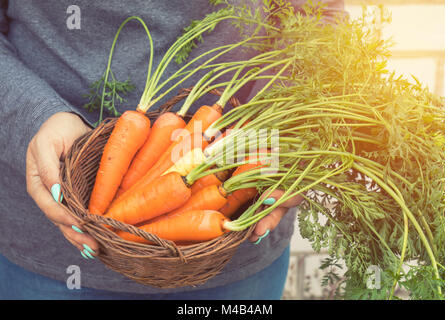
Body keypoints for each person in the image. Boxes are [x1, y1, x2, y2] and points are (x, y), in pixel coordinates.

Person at [0, 0, 345, 299]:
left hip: (234, 242)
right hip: (48, 243)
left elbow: (318, 16)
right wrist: (32, 117)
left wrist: (285, 127)